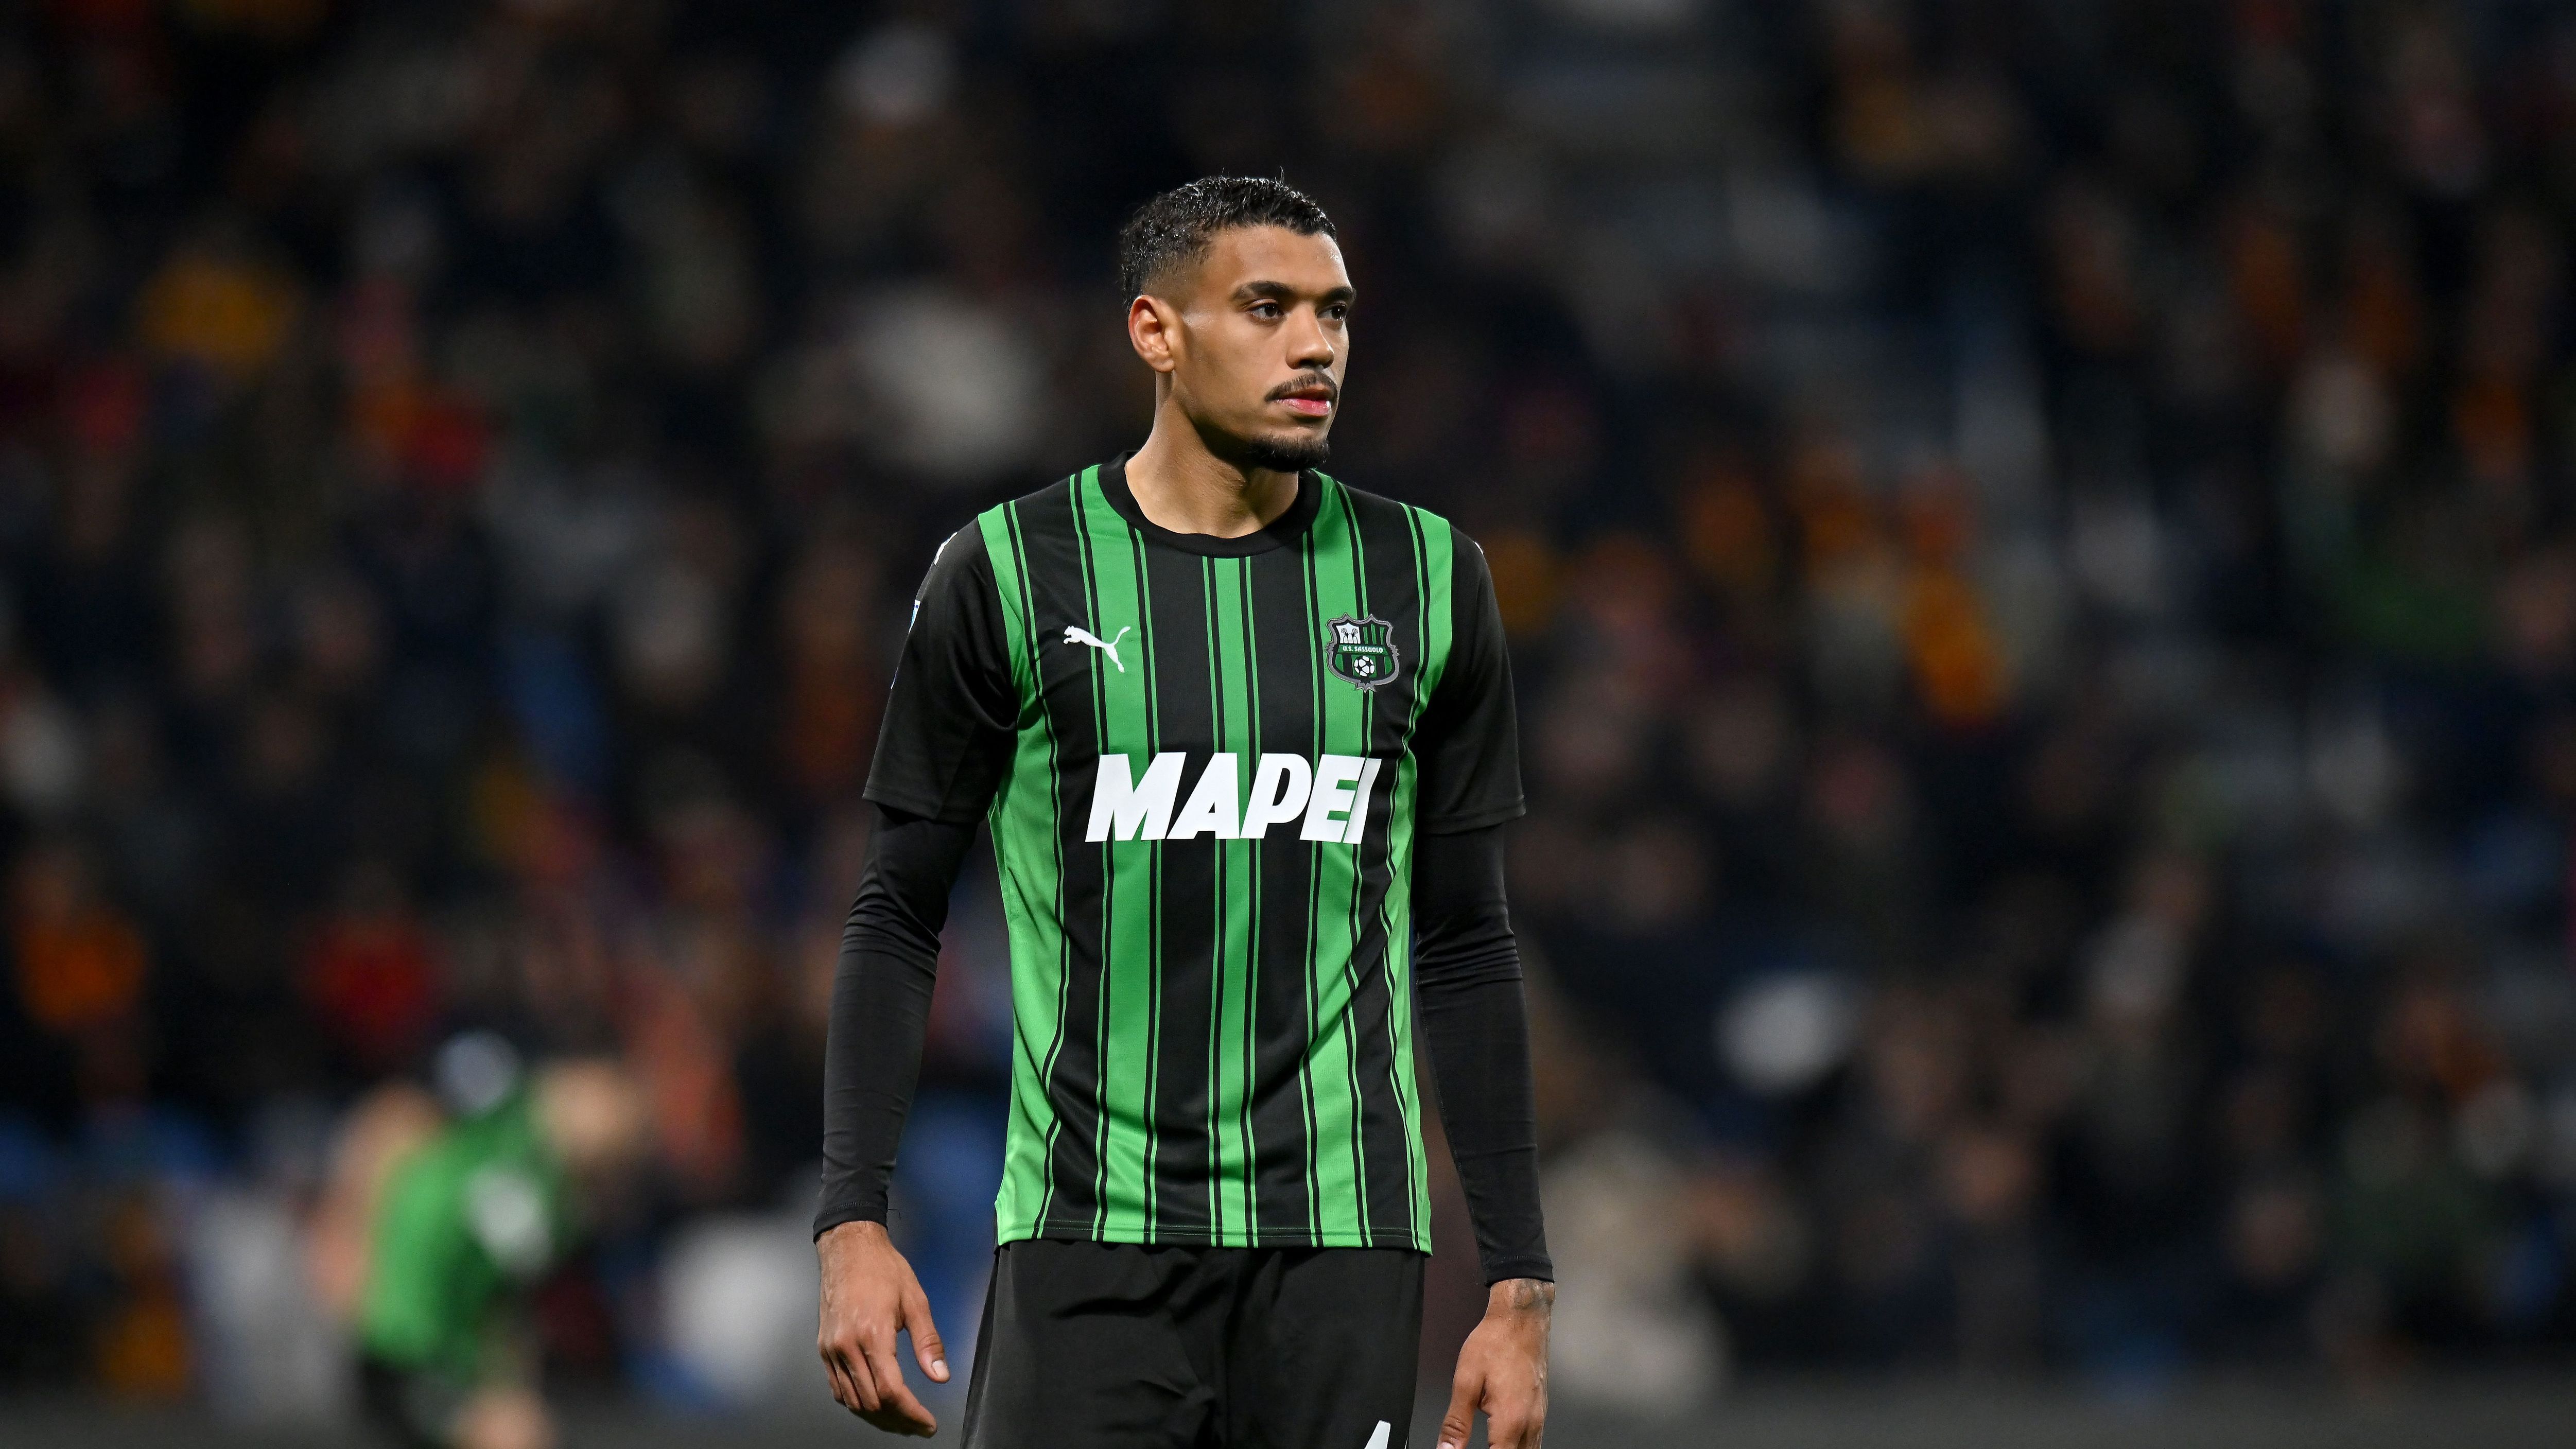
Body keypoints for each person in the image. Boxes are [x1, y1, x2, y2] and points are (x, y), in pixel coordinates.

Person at [814, 176, 1554, 1449]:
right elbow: (895, 911)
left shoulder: (1430, 579)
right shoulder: (1007, 572)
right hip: (1087, 1235)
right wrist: (852, 1220)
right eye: (1267, 307)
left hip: (1339, 1247)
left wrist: (1518, 1278)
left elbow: (1466, 942)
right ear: (1155, 331)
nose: (1314, 346)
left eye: (1333, 312)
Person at [321, 1053, 649, 1449]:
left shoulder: (513, 1167)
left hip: (432, 1360)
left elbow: (501, 1307)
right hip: (410, 1359)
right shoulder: (516, 1178)